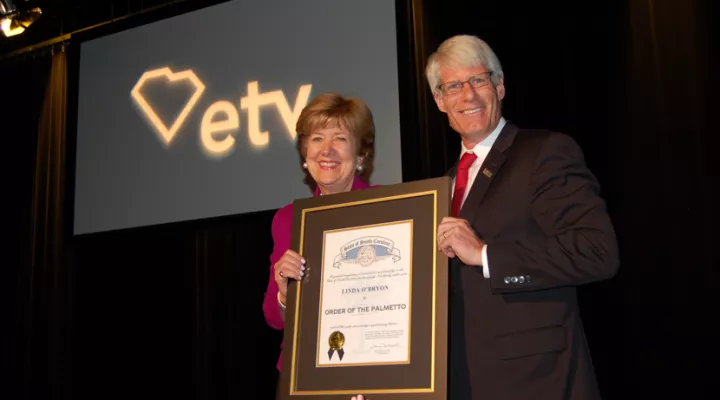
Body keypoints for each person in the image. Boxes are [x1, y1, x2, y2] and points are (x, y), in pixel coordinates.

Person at [351, 34, 619, 400]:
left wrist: (485, 255)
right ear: (440, 101)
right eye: (454, 86)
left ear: (500, 86)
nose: (469, 95)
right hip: (457, 379)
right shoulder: (440, 188)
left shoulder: (544, 152)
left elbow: (596, 251)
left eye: (479, 80)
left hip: (536, 381)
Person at [262, 92, 377, 377]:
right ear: (304, 154)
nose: (326, 150)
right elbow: (273, 317)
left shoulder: (389, 207)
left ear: (360, 154)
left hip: (374, 363)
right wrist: (285, 295)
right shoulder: (287, 219)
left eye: (339, 138)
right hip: (307, 371)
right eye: (316, 139)